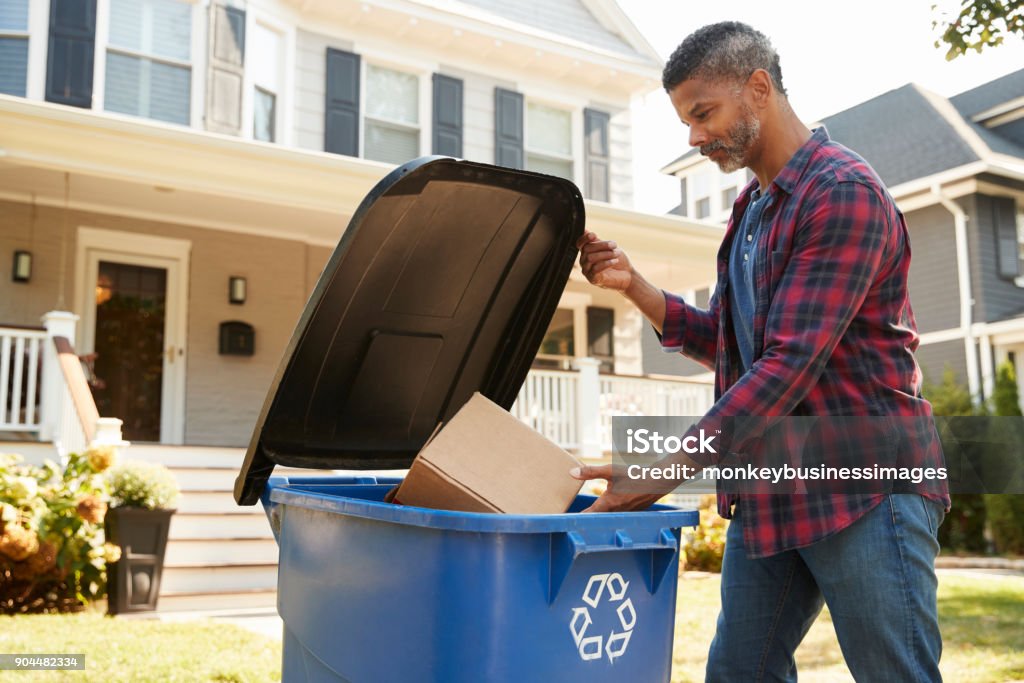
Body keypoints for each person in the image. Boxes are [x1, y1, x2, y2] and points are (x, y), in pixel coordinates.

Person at [570, 21, 951, 683]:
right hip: (775, 487)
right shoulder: (751, 209)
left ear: (757, 88)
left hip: (866, 486)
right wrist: (634, 286)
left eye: (702, 113)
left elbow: (787, 365)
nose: (692, 136)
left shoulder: (841, 192)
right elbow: (734, 341)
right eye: (686, 120)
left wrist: (659, 471)